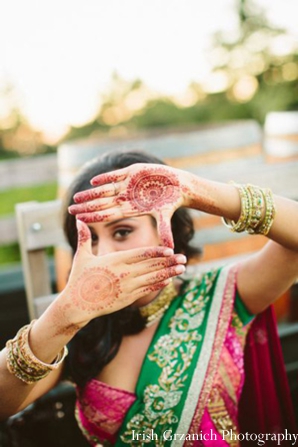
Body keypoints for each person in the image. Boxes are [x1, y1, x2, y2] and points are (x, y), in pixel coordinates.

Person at [0, 148, 297, 446]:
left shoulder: (220, 296)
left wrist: (196, 191)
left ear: (168, 229)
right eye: (90, 239)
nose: (103, 256)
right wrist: (63, 315)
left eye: (122, 231)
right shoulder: (81, 330)